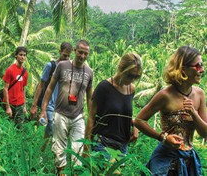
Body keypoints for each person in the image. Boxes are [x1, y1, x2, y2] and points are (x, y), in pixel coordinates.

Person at [134, 46, 206, 175]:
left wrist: (194, 114)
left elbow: (205, 133)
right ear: (183, 69)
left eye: (202, 65)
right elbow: (139, 120)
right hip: (166, 162)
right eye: (198, 66)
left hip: (189, 160)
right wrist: (163, 137)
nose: (202, 70)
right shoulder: (165, 95)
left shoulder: (199, 94)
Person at [40, 40, 93, 175]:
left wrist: (91, 118)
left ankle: (76, 173)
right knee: (59, 148)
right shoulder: (62, 66)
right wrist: (43, 110)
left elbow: (89, 96)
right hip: (60, 114)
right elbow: (50, 87)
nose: (82, 56)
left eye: (85, 53)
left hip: (78, 116)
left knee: (78, 149)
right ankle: (61, 173)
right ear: (75, 51)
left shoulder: (89, 72)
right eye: (80, 52)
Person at [84, 53, 142, 163]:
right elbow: (91, 117)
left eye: (136, 77)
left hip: (122, 145)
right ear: (121, 69)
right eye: (130, 75)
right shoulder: (104, 87)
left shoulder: (131, 89)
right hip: (103, 141)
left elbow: (123, 112)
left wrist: (135, 126)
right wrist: (86, 148)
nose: (132, 80)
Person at [30, 42, 73, 151]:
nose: (66, 58)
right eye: (64, 55)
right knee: (50, 127)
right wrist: (34, 105)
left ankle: (46, 151)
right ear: (59, 51)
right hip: (49, 103)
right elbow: (41, 85)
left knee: (58, 132)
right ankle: (42, 151)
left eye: (68, 56)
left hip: (61, 105)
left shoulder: (69, 70)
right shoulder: (50, 66)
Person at [3, 46, 28, 125]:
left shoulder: (25, 72)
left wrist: (24, 106)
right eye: (20, 55)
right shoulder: (10, 70)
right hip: (10, 103)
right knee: (7, 127)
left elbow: (23, 89)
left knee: (20, 128)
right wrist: (7, 107)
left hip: (20, 104)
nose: (22, 57)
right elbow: (5, 89)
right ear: (16, 56)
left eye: (24, 55)